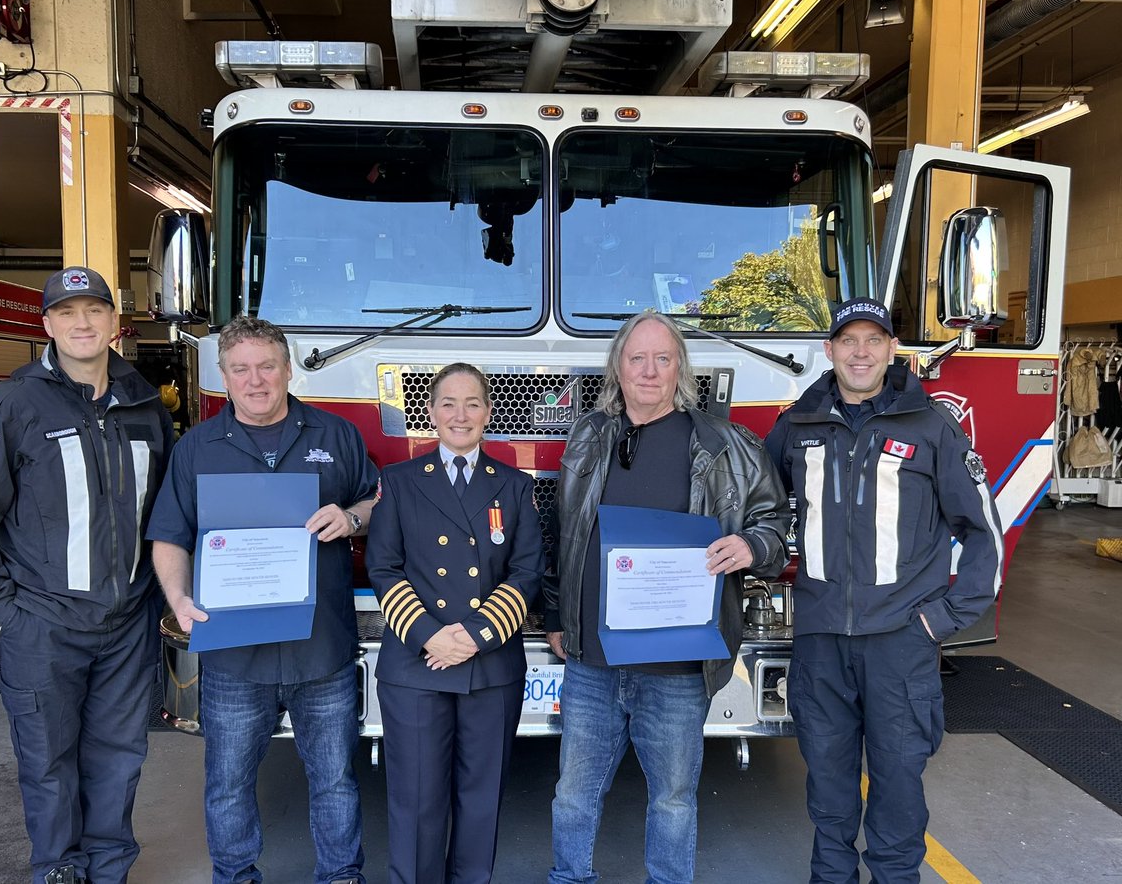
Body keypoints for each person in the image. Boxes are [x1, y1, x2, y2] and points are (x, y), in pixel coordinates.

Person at [0, 266, 175, 884]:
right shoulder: (10, 407)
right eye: (67, 313)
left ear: (116, 322)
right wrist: (11, 612)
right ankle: (58, 869)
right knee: (47, 761)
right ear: (47, 325)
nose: (82, 323)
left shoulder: (145, 404)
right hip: (43, 624)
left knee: (119, 757)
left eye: (94, 310)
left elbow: (169, 514)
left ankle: (109, 867)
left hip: (127, 625)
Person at [544, 311, 791, 884]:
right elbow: (563, 532)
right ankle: (568, 876)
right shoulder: (587, 436)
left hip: (678, 667)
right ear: (618, 368)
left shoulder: (728, 445)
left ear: (680, 367)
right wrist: (556, 613)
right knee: (573, 795)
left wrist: (752, 545)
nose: (649, 371)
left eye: (662, 358)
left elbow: (776, 524)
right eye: (637, 358)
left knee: (674, 801)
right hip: (593, 663)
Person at [764, 297, 1004, 884]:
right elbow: (759, 506)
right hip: (821, 641)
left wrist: (945, 618)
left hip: (902, 641)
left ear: (893, 350)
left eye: (875, 340)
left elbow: (983, 533)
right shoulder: (797, 424)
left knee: (898, 784)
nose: (862, 351)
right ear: (829, 350)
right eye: (849, 340)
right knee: (827, 781)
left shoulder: (932, 426)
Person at [146, 315, 377, 884]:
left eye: (267, 366)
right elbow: (170, 535)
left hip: (320, 650)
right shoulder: (196, 448)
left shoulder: (337, 435)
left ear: (287, 368)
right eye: (241, 369)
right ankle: (235, 875)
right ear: (223, 376)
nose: (256, 381)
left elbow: (379, 499)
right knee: (227, 782)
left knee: (335, 780)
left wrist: (350, 517)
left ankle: (341, 876)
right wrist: (176, 596)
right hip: (234, 658)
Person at [365, 363, 544, 884]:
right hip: (417, 663)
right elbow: (383, 567)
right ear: (431, 413)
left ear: (489, 413)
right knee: (415, 802)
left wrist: (474, 635)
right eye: (448, 403)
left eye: (472, 404)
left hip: (488, 666)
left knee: (481, 800)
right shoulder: (398, 482)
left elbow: (527, 569)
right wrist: (430, 636)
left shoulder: (512, 485)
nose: (459, 415)